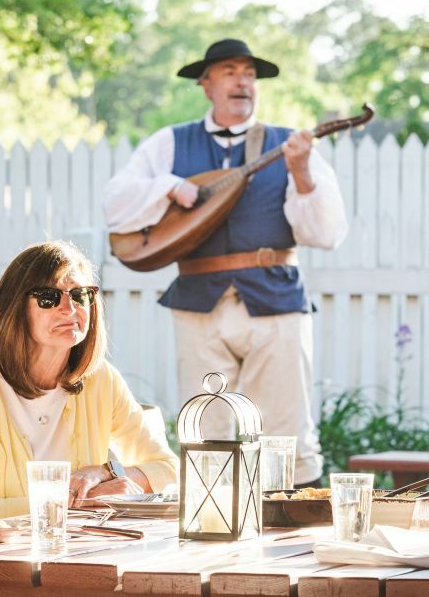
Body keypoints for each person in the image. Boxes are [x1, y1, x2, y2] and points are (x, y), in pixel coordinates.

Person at [102, 38, 347, 487]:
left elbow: (327, 233)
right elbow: (116, 204)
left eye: (249, 74)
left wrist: (301, 173)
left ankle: (290, 522)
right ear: (206, 83)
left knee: (285, 428)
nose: (242, 82)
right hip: (199, 300)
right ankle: (209, 520)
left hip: (275, 300)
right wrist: (170, 186)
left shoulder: (289, 144)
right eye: (230, 72)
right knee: (203, 426)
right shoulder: (170, 143)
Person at [0, 241, 178, 519]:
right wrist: (76, 501)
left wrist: (106, 473)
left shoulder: (101, 380)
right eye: (48, 297)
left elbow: (170, 469)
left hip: (84, 544)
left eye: (79, 295)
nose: (69, 308)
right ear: (14, 307)